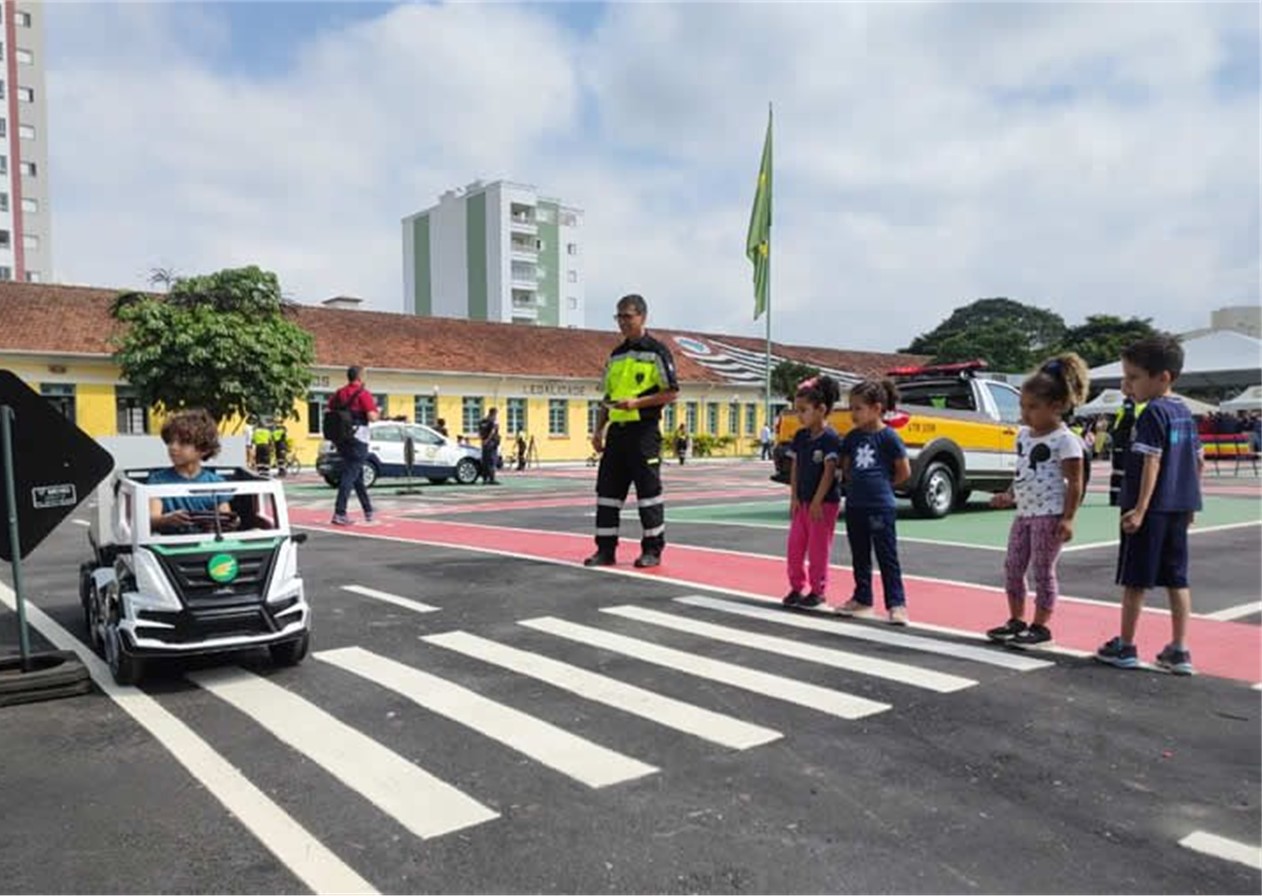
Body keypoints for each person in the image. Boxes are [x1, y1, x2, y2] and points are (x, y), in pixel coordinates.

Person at [1095, 336, 1203, 675]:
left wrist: (1140, 508)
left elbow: (1152, 462)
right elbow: (1197, 460)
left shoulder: (1152, 413)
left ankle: (1126, 645)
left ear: (1163, 378)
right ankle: (1180, 649)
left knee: (1136, 581)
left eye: (1133, 377)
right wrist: (1190, 505)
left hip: (1150, 510)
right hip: (1178, 508)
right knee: (1177, 580)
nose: (1127, 385)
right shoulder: (1184, 412)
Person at [985, 354, 1090, 647]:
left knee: (1043, 570)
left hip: (1050, 514)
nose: (1025, 413)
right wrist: (1010, 494)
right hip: (1025, 513)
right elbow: (1022, 470)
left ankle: (1041, 626)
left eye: (1032, 407)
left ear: (1056, 407)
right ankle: (1016, 619)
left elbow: (1075, 482)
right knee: (1013, 566)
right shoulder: (1024, 436)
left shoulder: (1066, 440)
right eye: (1022, 406)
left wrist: (1068, 518)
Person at [585, 293, 679, 569]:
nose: (622, 322)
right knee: (607, 492)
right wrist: (598, 430)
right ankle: (605, 550)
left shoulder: (657, 352)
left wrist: (637, 403)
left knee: (648, 493)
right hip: (617, 434)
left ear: (642, 317)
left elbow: (671, 392)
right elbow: (607, 397)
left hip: (643, 433)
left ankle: (652, 550)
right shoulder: (616, 355)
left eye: (628, 316)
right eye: (619, 317)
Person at [836, 378, 912, 625]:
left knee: (886, 555)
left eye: (858, 408)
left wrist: (884, 487)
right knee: (860, 555)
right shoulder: (852, 438)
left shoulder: (889, 437)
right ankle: (862, 598)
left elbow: (904, 471)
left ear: (877, 408)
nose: (853, 414)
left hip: (880, 506)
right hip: (856, 505)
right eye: (851, 408)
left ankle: (897, 604)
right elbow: (847, 467)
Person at [781, 375, 843, 609]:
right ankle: (797, 586)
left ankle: (818, 590)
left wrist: (817, 500)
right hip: (803, 502)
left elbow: (829, 471)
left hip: (823, 504)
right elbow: (796, 467)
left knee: (818, 550)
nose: (799, 415)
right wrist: (794, 497)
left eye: (804, 410)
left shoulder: (830, 438)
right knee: (795, 547)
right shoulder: (801, 437)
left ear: (821, 410)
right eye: (797, 410)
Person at [148, 409, 231, 531]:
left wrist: (230, 522)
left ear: (204, 449)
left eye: (183, 442)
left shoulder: (216, 483)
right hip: (170, 546)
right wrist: (166, 520)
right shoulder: (157, 481)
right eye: (170, 441)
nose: (173, 447)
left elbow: (225, 517)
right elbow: (151, 519)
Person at [327, 365, 380, 525]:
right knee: (350, 474)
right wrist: (378, 413)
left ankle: (368, 509)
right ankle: (340, 512)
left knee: (357, 475)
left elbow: (329, 408)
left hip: (342, 437)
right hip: (359, 437)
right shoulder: (363, 394)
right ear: (360, 377)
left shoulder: (339, 393)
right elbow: (372, 417)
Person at [477, 407, 501, 484]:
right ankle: (492, 479)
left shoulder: (482, 421)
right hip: (491, 443)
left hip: (484, 443)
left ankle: (485, 478)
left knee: (485, 460)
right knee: (492, 460)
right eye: (496, 414)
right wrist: (487, 440)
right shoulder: (492, 422)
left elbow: (479, 432)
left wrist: (483, 440)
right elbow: (492, 432)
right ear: (493, 413)